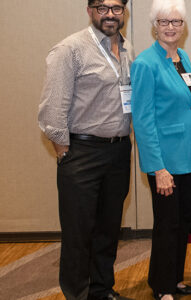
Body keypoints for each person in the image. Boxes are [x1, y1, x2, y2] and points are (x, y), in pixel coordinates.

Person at [37, 1, 133, 299]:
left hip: (118, 152)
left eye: (116, 8)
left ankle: (102, 289)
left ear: (124, 12)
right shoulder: (70, 49)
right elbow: (53, 110)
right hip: (82, 153)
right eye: (102, 7)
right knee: (79, 234)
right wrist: (66, 150)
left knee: (108, 229)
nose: (110, 14)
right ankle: (77, 294)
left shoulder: (128, 50)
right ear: (90, 10)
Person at [130, 0, 191, 299]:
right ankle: (162, 287)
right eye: (164, 22)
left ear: (183, 26)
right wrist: (157, 167)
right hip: (165, 161)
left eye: (176, 22)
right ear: (154, 26)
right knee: (167, 224)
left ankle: (175, 278)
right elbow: (143, 120)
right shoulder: (145, 63)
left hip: (187, 156)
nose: (171, 28)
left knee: (183, 221)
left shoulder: (182, 56)